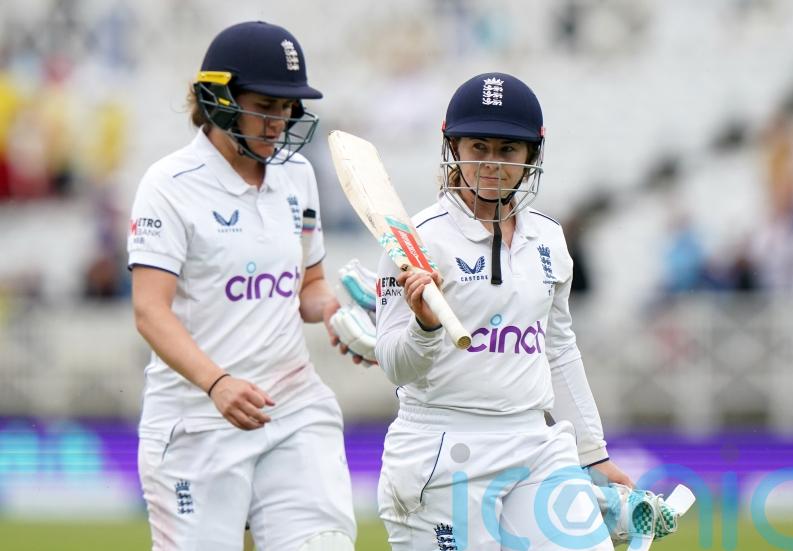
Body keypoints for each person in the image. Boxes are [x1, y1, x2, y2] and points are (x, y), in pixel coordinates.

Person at [375, 73, 633, 550]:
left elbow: (557, 349)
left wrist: (592, 452)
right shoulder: (416, 238)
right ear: (452, 146)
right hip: (441, 448)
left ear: (531, 155)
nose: (492, 163)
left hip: (535, 442)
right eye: (479, 146)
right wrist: (426, 326)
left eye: (508, 150)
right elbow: (393, 362)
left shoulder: (550, 238)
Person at [127, 21, 356, 551]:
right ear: (219, 98)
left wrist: (335, 313)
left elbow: (310, 284)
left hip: (293, 406)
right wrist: (217, 383)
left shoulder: (297, 175)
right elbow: (149, 311)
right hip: (196, 422)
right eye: (266, 106)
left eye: (287, 109)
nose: (279, 123)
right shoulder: (169, 185)